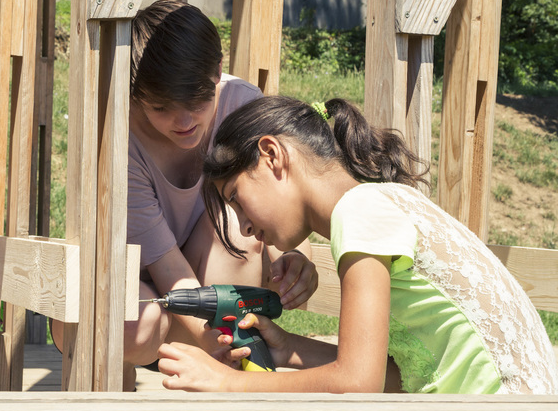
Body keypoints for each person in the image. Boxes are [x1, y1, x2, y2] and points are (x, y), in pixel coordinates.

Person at [157, 95, 558, 394]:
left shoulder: (359, 213)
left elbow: (357, 384)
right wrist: (287, 349)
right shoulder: (386, 200)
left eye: (236, 199)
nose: (244, 227)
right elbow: (398, 376)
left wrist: (226, 383)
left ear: (272, 155)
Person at [52, 0, 318, 389]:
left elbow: (279, 200)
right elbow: (167, 270)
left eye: (198, 102)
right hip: (131, 286)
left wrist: (295, 255)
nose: (184, 122)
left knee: (238, 228)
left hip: (198, 279)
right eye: (161, 107)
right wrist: (228, 352)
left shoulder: (241, 107)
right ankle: (178, 358)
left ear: (217, 74)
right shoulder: (118, 137)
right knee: (136, 328)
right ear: (136, 95)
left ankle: (207, 356)